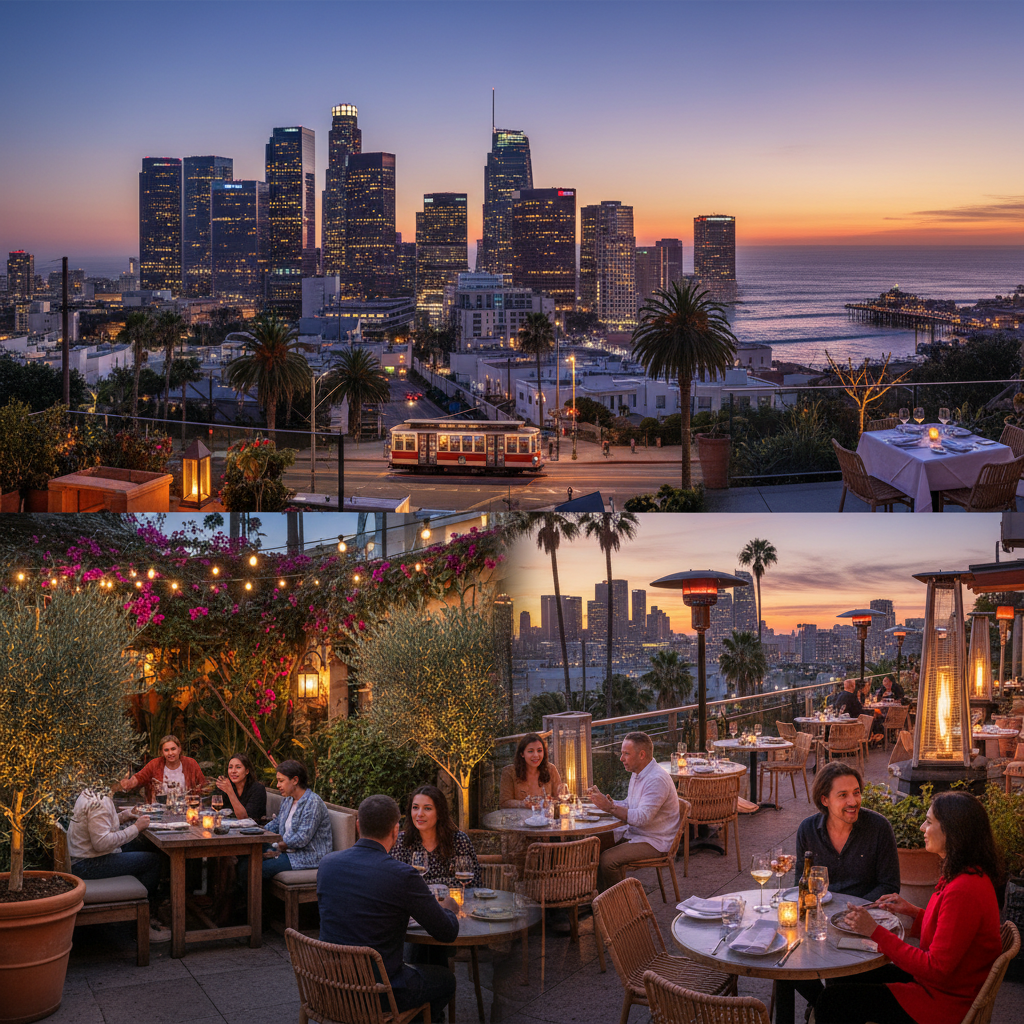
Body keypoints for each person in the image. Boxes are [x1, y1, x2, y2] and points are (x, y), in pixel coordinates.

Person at [816, 791, 1005, 1024]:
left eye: (929, 821)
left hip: (943, 1002)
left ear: (953, 831)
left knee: (832, 1001)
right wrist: (913, 912)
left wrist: (875, 931)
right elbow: (953, 932)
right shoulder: (966, 874)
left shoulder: (964, 889)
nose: (922, 828)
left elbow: (936, 968)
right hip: (943, 986)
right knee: (845, 974)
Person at [318, 794, 460, 1023]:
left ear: (357, 826)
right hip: (379, 992)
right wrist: (449, 908)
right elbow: (446, 932)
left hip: (329, 984)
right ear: (395, 831)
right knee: (446, 980)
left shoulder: (327, 864)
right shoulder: (402, 875)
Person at [788, 762, 900, 1014]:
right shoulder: (808, 829)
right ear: (824, 799)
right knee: (784, 958)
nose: (853, 801)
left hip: (862, 925)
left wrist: (852, 912)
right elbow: (800, 883)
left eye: (857, 792)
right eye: (843, 795)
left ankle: (828, 1005)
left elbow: (890, 885)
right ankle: (823, 1001)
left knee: (842, 977)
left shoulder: (879, 828)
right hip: (818, 921)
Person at [68, 784, 171, 943]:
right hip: (87, 864)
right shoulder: (99, 802)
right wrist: (136, 828)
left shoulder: (94, 793)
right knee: (153, 862)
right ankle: (140, 927)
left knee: (144, 846)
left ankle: (148, 914)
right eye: (126, 774)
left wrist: (124, 816)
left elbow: (101, 826)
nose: (130, 780)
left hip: (87, 856)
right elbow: (101, 843)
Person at [588, 731, 680, 891]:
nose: (621, 758)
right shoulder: (638, 773)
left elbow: (642, 818)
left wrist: (609, 807)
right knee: (592, 844)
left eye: (626, 754)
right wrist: (606, 801)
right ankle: (598, 901)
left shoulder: (656, 780)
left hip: (655, 841)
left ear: (642, 754)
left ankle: (621, 906)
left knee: (608, 860)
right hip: (637, 833)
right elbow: (630, 804)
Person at [392, 784, 481, 888]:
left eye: (427, 808)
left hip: (454, 902)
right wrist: (446, 882)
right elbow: (397, 882)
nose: (420, 814)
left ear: (439, 813)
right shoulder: (402, 841)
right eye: (415, 807)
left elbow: (474, 881)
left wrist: (423, 884)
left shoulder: (459, 840)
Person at [261, 759, 333, 879]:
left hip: (307, 857)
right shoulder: (288, 800)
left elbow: (302, 838)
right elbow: (277, 823)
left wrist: (277, 847)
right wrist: (259, 832)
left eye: (281, 781)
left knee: (259, 868)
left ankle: (259, 898)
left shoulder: (313, 802)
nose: (277, 785)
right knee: (246, 858)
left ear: (295, 780)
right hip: (287, 851)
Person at [119, 734, 207, 802]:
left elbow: (203, 785)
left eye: (173, 749)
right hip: (158, 811)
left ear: (179, 749)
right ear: (162, 752)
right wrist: (129, 783)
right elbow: (139, 777)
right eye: (166, 750)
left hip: (186, 810)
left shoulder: (191, 763)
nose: (170, 753)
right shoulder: (155, 764)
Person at [499, 733, 563, 808]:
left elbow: (560, 798)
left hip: (545, 817)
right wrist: (523, 804)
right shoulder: (509, 772)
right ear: (522, 754)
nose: (536, 755)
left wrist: (549, 802)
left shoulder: (551, 769)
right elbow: (504, 802)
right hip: (519, 818)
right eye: (530, 751)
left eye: (539, 751)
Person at [215, 753, 267, 822]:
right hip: (228, 829)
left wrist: (230, 792)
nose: (233, 771)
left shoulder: (258, 789)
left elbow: (245, 818)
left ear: (247, 771)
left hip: (252, 831)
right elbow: (215, 809)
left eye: (238, 767)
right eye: (230, 767)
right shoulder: (227, 786)